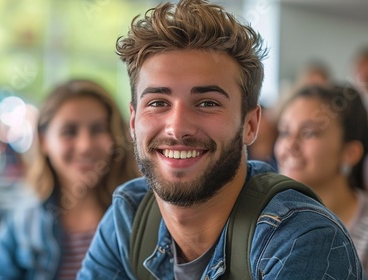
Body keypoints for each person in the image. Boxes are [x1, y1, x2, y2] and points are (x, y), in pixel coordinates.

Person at [78, 0, 364, 279]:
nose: (177, 129)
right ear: (132, 121)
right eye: (157, 102)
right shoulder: (129, 216)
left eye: (207, 103)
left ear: (250, 124)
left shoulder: (301, 238)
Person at [0, 79, 139, 279]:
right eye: (69, 132)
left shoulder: (140, 219)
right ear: (44, 140)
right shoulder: (20, 227)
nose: (85, 146)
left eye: (98, 129)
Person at [274, 84, 368, 271]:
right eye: (285, 132)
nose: (290, 145)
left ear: (350, 152)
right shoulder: (267, 221)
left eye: (308, 133)